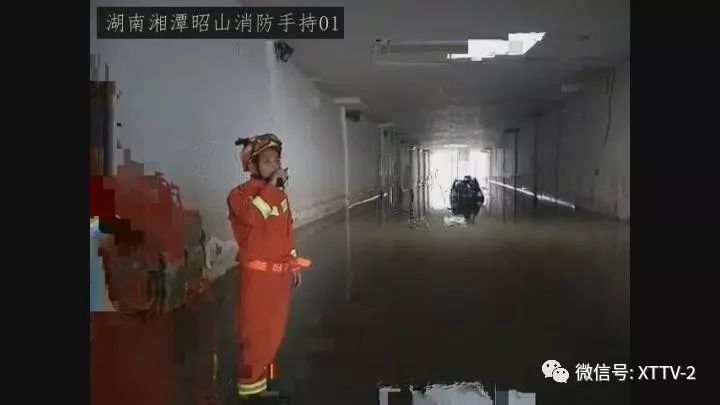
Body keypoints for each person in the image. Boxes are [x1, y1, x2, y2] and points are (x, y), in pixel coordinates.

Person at [227, 133, 311, 399]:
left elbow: (286, 232)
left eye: (277, 160)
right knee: (255, 336)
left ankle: (261, 386)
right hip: (257, 279)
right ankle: (250, 393)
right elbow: (253, 217)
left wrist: (293, 263)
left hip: (279, 279)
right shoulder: (239, 195)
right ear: (251, 165)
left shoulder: (280, 197)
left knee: (274, 335)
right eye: (267, 161)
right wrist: (272, 188)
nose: (275, 165)